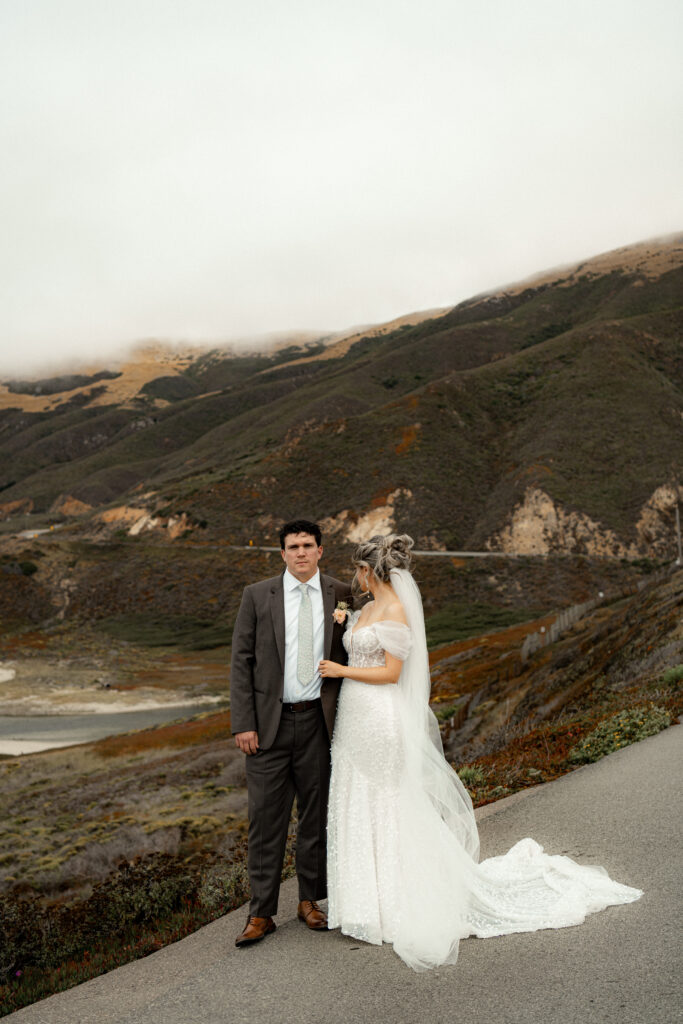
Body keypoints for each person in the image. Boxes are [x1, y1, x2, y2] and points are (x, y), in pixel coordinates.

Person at [318, 534, 642, 971]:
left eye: (358, 570)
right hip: (354, 720)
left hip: (380, 717)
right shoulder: (368, 608)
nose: (355, 578)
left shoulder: (394, 609)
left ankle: (394, 901)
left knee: (387, 802)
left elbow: (393, 673)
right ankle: (363, 903)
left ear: (369, 571)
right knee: (356, 795)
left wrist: (342, 668)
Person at [230, 519, 352, 947]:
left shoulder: (343, 595)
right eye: (292, 546)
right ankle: (261, 913)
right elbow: (241, 661)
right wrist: (243, 722)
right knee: (265, 821)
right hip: (267, 727)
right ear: (282, 554)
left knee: (316, 817)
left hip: (319, 724)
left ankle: (310, 901)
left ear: (321, 550)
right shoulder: (257, 596)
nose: (300, 552)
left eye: (308, 545)